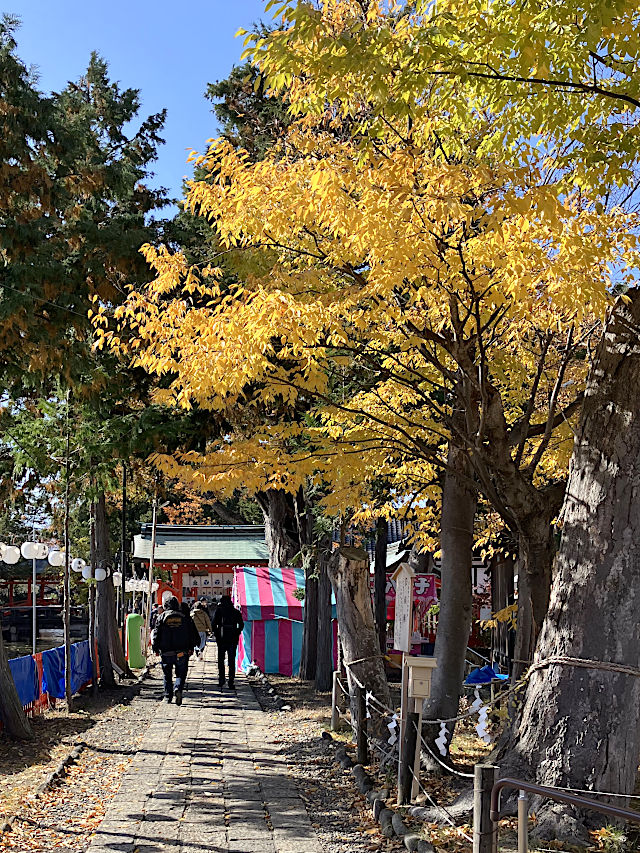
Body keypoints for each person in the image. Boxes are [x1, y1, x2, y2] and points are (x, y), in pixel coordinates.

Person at [151, 596, 200, 705]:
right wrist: (192, 646)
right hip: (182, 651)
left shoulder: (161, 617)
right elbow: (192, 633)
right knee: (181, 673)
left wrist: (155, 648)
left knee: (167, 674)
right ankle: (178, 687)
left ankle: (168, 696)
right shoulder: (185, 617)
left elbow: (156, 634)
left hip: (166, 651)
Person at [212, 595, 244, 688]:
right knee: (231, 660)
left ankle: (221, 679)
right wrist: (237, 632)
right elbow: (241, 624)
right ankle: (231, 681)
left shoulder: (219, 611)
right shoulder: (235, 612)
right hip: (233, 638)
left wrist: (217, 634)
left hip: (221, 638)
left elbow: (213, 624)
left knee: (221, 660)